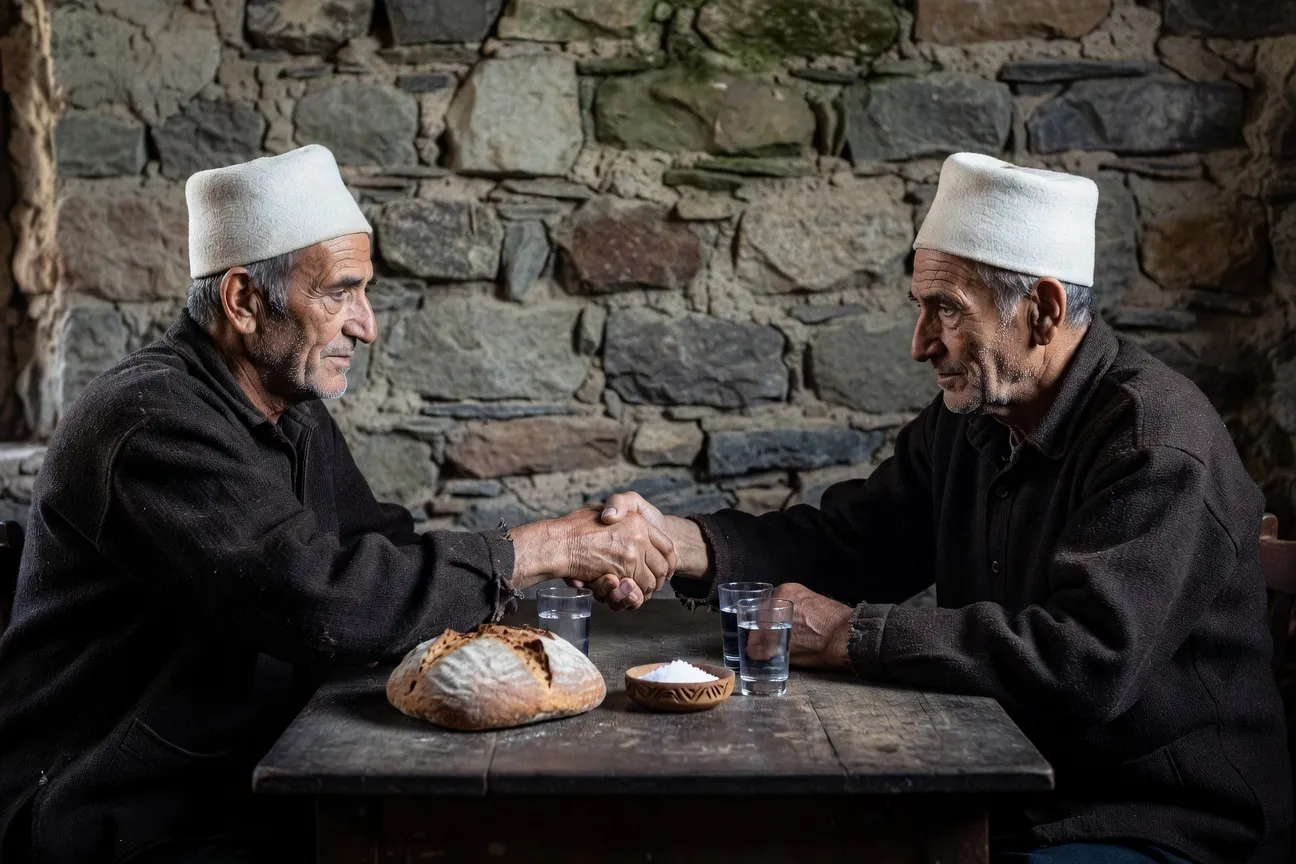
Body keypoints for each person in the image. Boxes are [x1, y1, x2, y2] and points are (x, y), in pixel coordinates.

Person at [592, 153, 1292, 864]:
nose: (920, 343)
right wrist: (682, 543)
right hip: (1005, 791)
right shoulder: (976, 416)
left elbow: (1084, 665)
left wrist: (850, 636)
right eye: (922, 307)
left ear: (1044, 311)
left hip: (1152, 820)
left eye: (947, 310)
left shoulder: (1156, 443)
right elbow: (857, 541)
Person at [0, 145, 674, 863]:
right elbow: (324, 602)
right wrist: (545, 547)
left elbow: (380, 546)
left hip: (238, 772)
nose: (367, 324)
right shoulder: (151, 423)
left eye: (365, 291)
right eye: (340, 292)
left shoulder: (284, 404)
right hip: (121, 814)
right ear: (244, 301)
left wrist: (553, 558)